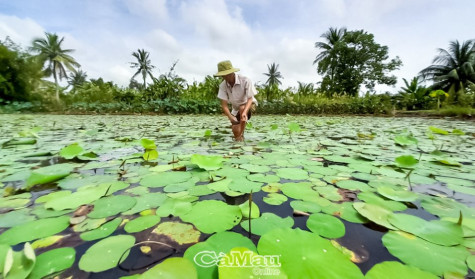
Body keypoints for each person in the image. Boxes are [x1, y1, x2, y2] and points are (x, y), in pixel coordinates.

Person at [214, 60, 258, 141]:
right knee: (235, 129)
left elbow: (250, 98)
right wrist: (230, 117)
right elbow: (224, 104)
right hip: (235, 108)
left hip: (249, 104)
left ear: (232, 73)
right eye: (223, 76)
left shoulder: (245, 80)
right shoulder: (223, 85)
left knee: (242, 108)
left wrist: (244, 112)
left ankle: (240, 137)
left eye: (227, 75)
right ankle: (240, 139)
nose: (225, 78)